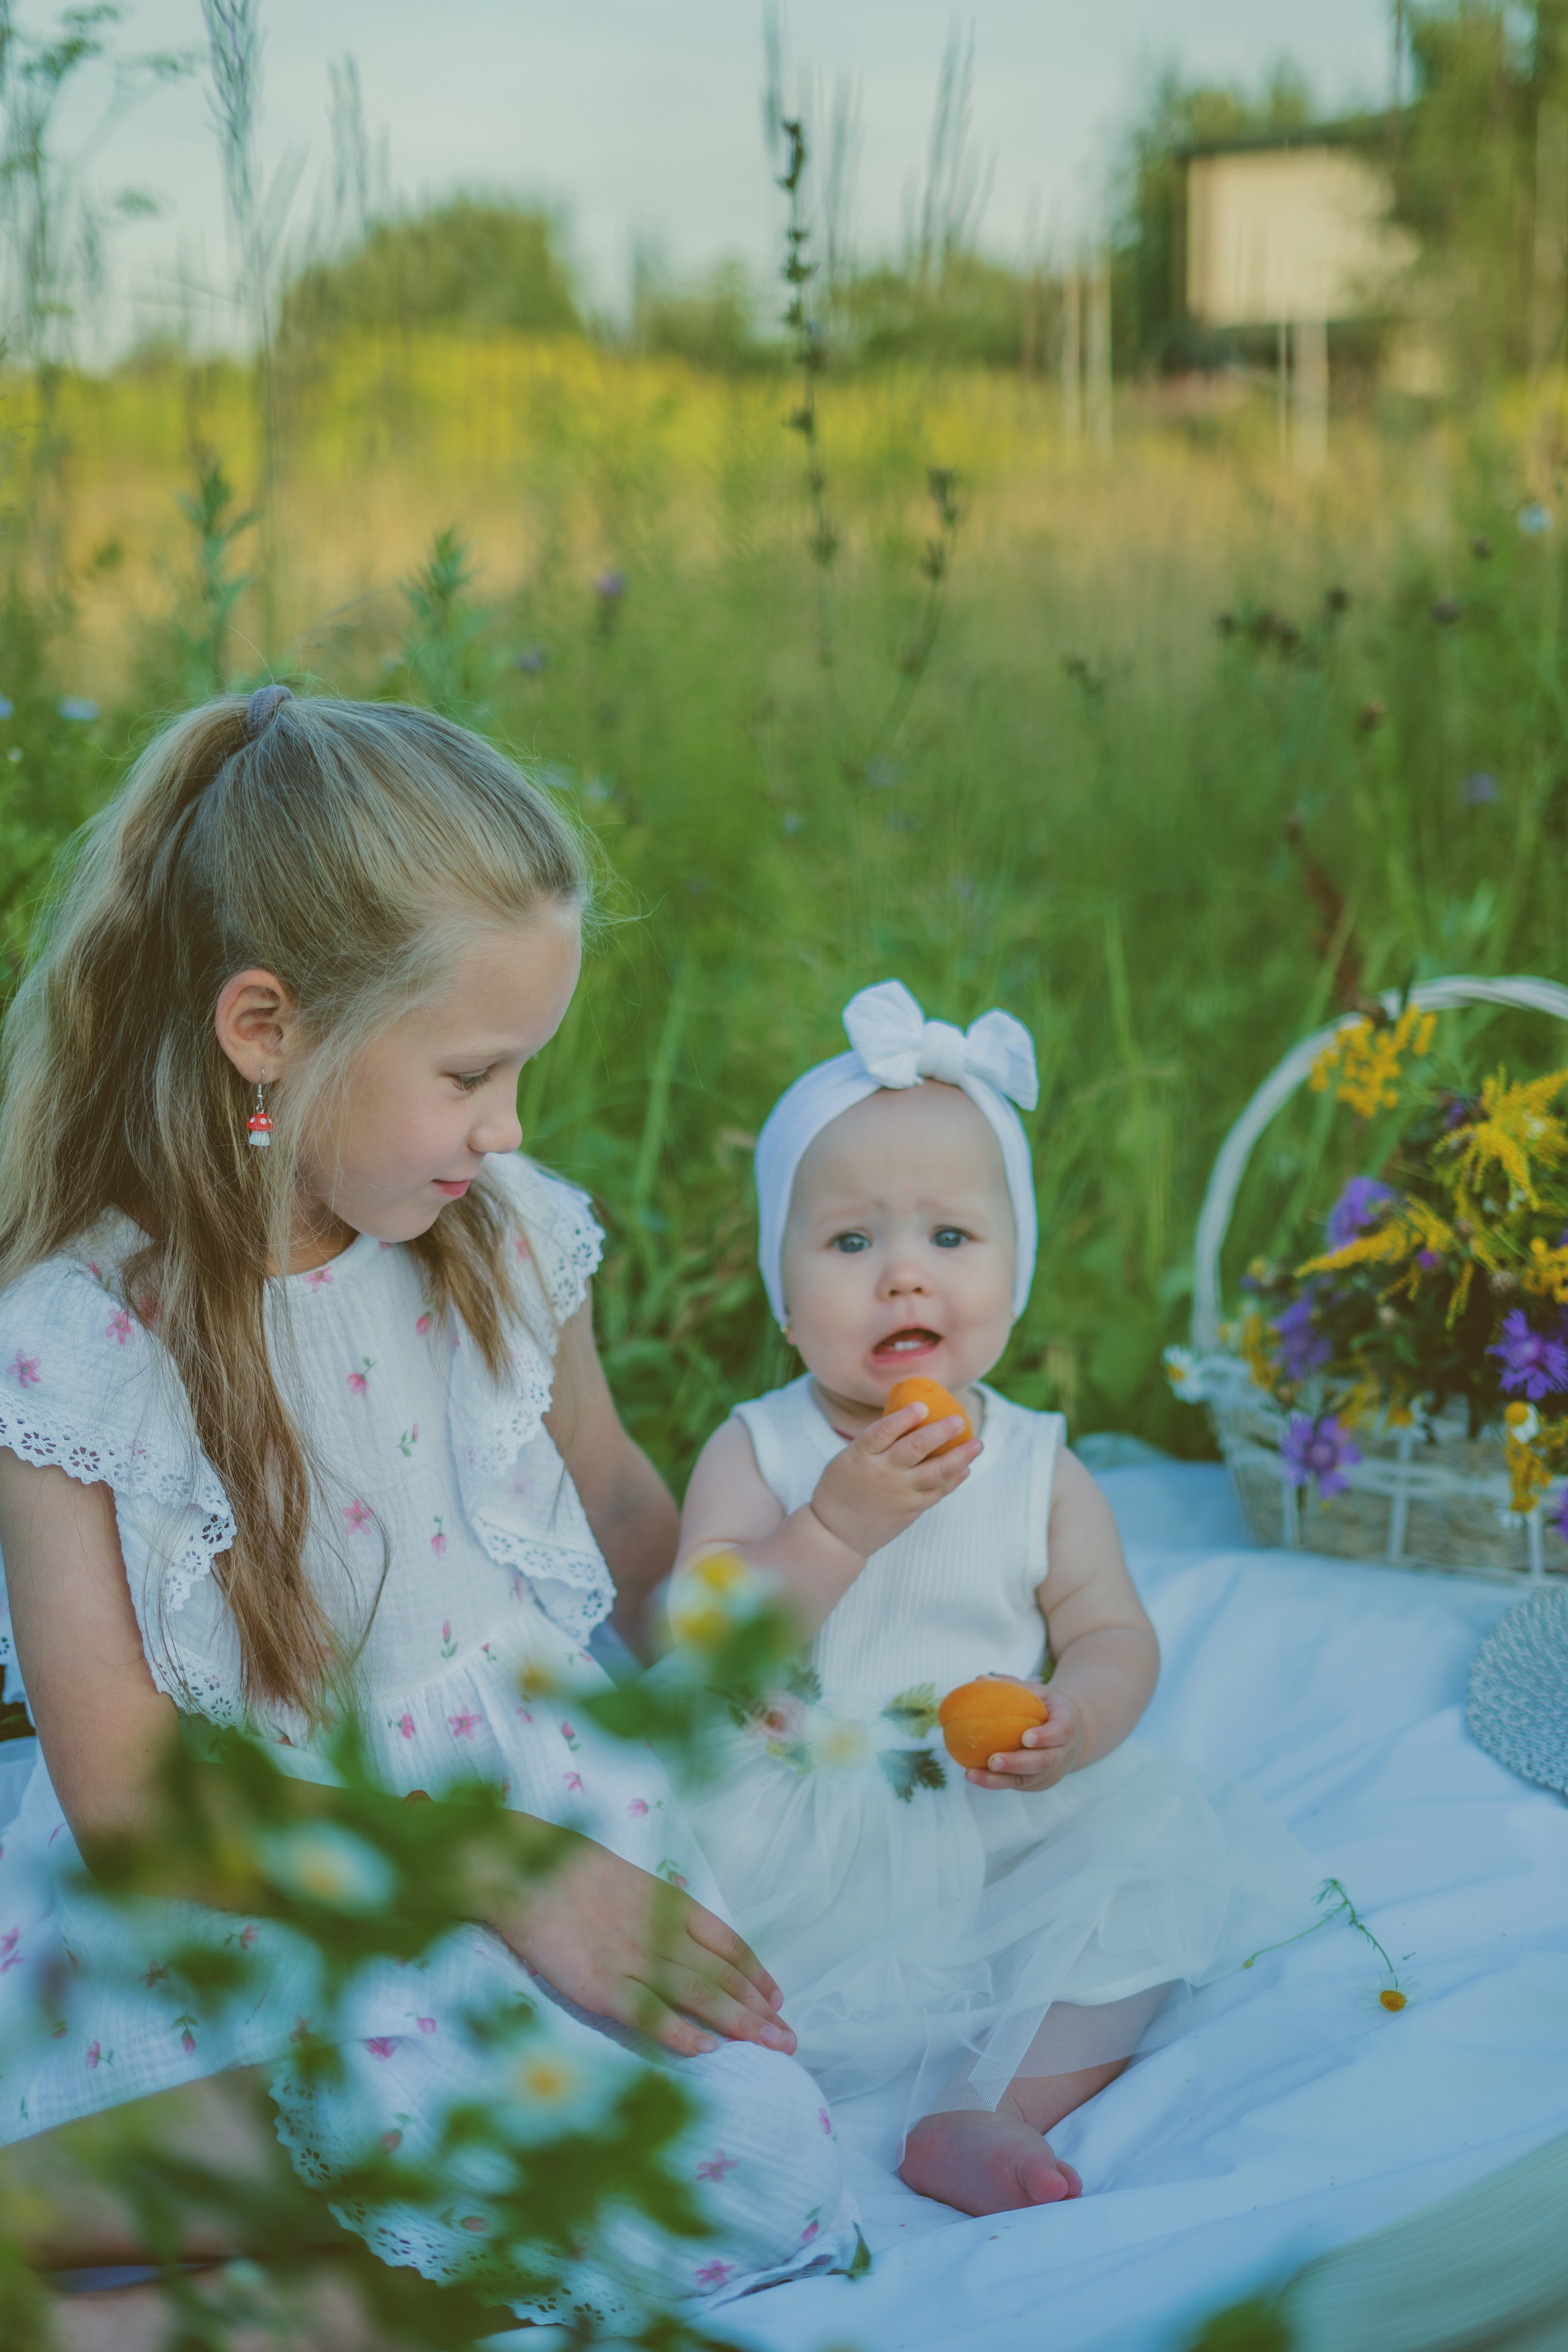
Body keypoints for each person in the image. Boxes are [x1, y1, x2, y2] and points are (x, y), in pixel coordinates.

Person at [0, 689, 856, 2342]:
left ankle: (209, 2286)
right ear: (269, 1028)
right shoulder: (78, 1345)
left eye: (522, 1070)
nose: (508, 1126)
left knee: (761, 2161)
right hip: (263, 1898)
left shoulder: (506, 1238)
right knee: (558, 2152)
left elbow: (617, 1501)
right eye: (470, 1072)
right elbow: (128, 1798)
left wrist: (726, 1641)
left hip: (525, 1840)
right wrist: (505, 1870)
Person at [673, 979, 1318, 2220]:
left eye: (951, 1238)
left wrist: (1079, 1717)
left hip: (985, 1818)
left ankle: (988, 2107)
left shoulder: (1037, 1467)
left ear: (1014, 1279)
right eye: (850, 1243)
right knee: (678, 1934)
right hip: (799, 1813)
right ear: (782, 1297)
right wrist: (833, 1526)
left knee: (1144, 1881)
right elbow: (706, 1638)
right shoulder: (762, 1450)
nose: (904, 1277)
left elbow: (1109, 1630)